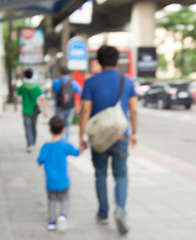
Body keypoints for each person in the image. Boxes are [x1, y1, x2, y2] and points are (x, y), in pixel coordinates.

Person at [79, 46, 138, 235]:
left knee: (101, 174)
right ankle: (120, 209)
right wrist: (135, 132)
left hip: (99, 137)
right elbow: (134, 109)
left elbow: (86, 110)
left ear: (98, 61)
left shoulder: (91, 82)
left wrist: (82, 136)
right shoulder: (126, 81)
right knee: (121, 174)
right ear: (117, 61)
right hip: (121, 135)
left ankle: (103, 214)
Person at [37, 116, 80, 231]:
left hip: (50, 180)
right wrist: (83, 146)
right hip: (63, 180)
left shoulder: (46, 146)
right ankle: (62, 216)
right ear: (63, 129)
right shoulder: (65, 145)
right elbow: (76, 152)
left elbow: (40, 160)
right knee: (65, 198)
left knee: (51, 200)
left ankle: (51, 222)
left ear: (50, 130)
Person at [14, 69, 47, 152]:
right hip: (35, 110)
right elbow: (42, 99)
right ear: (32, 75)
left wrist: (15, 106)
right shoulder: (37, 87)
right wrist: (45, 111)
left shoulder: (22, 87)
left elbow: (16, 97)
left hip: (25, 110)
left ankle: (30, 144)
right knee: (34, 127)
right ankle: (34, 142)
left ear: (25, 75)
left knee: (27, 128)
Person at [52, 67, 82, 140]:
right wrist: (78, 104)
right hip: (70, 107)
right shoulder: (73, 82)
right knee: (67, 125)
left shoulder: (56, 81)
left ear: (60, 72)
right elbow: (80, 91)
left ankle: (61, 140)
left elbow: (53, 92)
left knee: (59, 124)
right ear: (68, 73)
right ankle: (66, 140)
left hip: (59, 106)